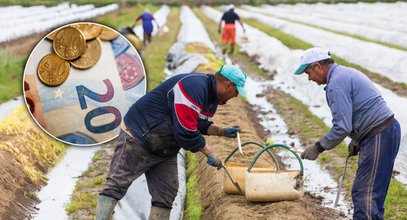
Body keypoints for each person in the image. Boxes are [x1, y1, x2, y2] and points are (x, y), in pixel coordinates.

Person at [95, 64, 247, 220]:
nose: (234, 97)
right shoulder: (193, 87)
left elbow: (197, 123)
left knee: (166, 192)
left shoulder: (211, 98)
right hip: (140, 135)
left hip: (164, 147)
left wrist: (221, 131)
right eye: (236, 92)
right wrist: (209, 152)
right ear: (228, 85)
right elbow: (186, 130)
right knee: (117, 184)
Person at [295, 47, 400, 219]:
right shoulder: (344, 74)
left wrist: (318, 147)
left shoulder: (336, 84)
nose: (309, 78)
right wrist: (358, 138)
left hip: (380, 134)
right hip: (380, 132)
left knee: (365, 192)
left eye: (308, 73)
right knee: (372, 192)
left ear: (318, 67)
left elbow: (341, 127)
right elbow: (364, 105)